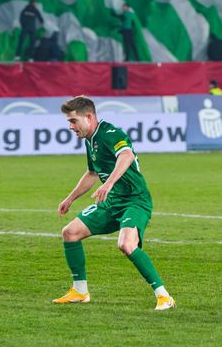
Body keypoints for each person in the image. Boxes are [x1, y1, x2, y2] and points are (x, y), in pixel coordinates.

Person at [53, 96, 175, 311]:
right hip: (111, 202)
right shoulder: (90, 140)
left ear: (88, 117)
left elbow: (126, 155)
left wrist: (108, 184)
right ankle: (80, 291)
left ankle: (164, 296)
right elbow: (92, 174)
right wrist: (70, 198)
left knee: (126, 244)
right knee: (70, 232)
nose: (71, 127)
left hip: (135, 200)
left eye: (73, 121)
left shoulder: (110, 133)